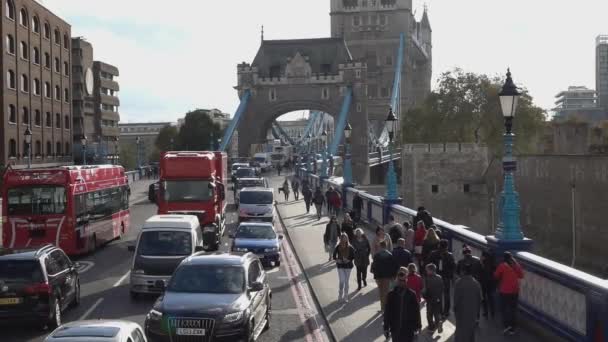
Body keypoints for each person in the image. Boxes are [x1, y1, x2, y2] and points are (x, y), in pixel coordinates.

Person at [383, 267, 422, 342]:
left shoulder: (411, 294)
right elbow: (387, 312)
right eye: (400, 280)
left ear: (406, 280)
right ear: (397, 280)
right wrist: (386, 327)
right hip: (395, 328)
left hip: (408, 329)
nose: (401, 282)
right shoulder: (391, 294)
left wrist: (418, 326)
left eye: (403, 281)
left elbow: (416, 311)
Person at [494, 252, 524, 335]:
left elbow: (496, 275)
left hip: (504, 291)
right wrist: (516, 264)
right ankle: (513, 328)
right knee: (513, 309)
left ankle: (506, 325)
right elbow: (521, 276)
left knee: (504, 309)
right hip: (515, 291)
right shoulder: (516, 265)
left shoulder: (502, 266)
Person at [454, 263, 483, 342]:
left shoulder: (459, 283)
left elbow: (456, 299)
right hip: (472, 312)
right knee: (471, 330)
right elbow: (480, 299)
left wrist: (455, 310)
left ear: (463, 272)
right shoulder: (476, 283)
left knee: (460, 330)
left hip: (461, 311)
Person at [429, 239, 456, 319]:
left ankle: (439, 311)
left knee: (437, 294)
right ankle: (446, 312)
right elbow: (453, 267)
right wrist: (451, 277)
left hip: (436, 276)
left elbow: (429, 264)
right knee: (446, 294)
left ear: (439, 245)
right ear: (447, 247)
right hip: (446, 277)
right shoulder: (450, 255)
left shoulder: (433, 254)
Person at [370, 240, 398, 312]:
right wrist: (393, 276)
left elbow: (374, 266)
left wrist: (374, 275)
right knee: (386, 292)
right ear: (386, 246)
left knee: (381, 292)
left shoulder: (377, 255)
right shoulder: (390, 255)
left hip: (379, 276)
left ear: (380, 246)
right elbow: (393, 267)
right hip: (387, 277)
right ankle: (385, 308)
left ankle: (383, 308)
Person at [333, 233, 355, 303]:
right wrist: (337, 260)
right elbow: (334, 256)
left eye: (345, 238)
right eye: (343, 238)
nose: (344, 239)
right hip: (340, 266)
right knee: (342, 281)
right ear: (341, 239)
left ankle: (345, 296)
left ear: (347, 239)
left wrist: (348, 260)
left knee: (346, 281)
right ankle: (340, 294)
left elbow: (353, 256)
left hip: (348, 266)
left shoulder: (350, 247)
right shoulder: (338, 246)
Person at [423, 263, 444, 333]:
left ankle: (431, 327)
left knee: (429, 314)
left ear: (431, 270)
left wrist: (424, 295)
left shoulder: (428, 278)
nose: (426, 271)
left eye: (427, 270)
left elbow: (426, 290)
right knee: (437, 313)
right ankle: (439, 323)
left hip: (430, 299)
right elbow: (442, 288)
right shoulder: (440, 277)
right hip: (438, 299)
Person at [480, 250, 497, 319]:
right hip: (491, 282)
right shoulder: (492, 262)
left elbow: (481, 272)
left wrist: (481, 262)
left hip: (484, 282)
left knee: (484, 297)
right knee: (490, 297)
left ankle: (486, 312)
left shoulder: (483, 263)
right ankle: (492, 312)